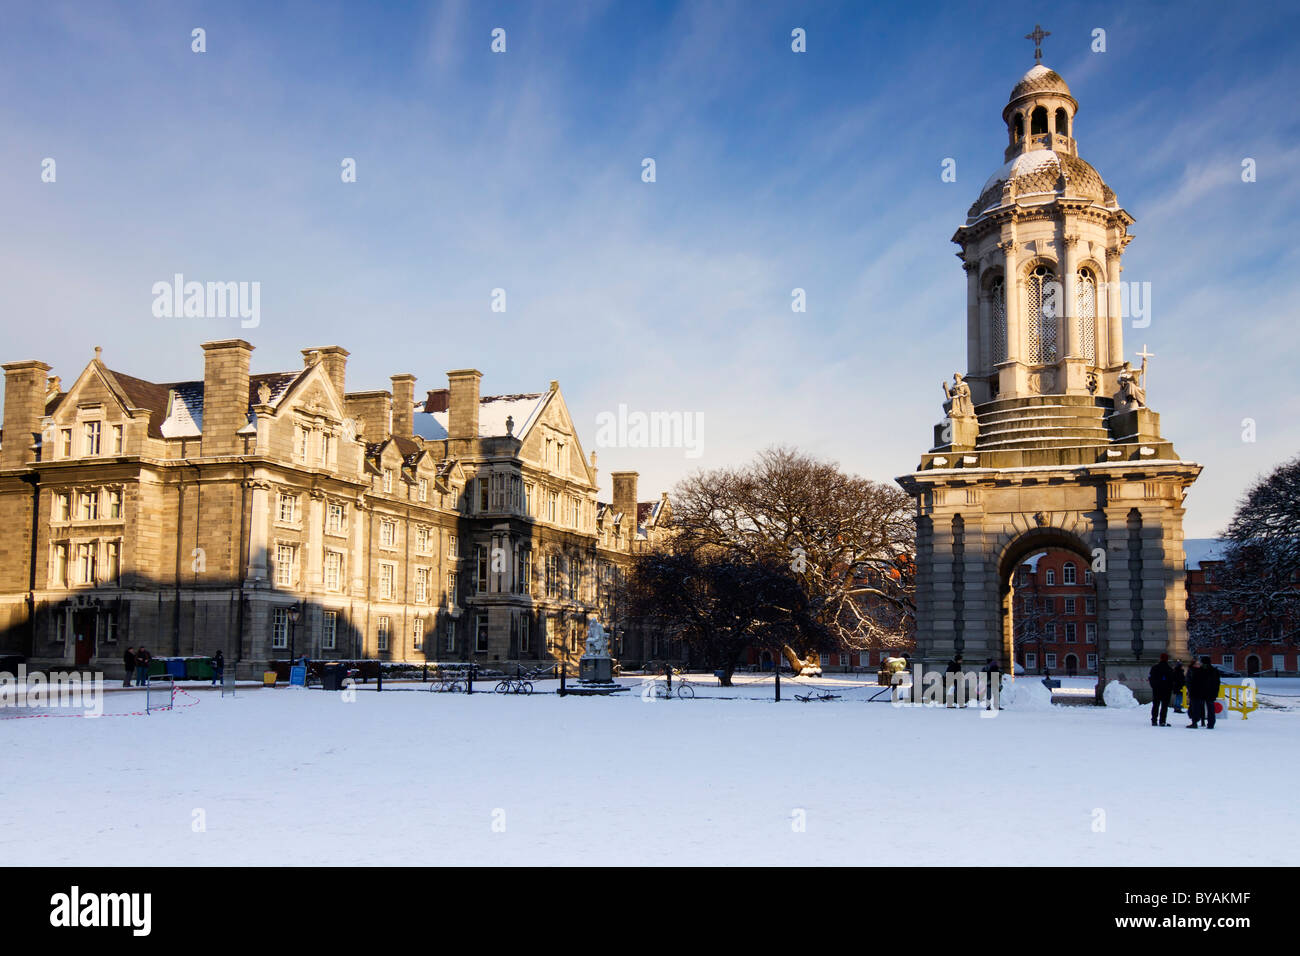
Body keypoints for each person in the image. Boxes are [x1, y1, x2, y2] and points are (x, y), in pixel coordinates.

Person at [1148, 653, 1173, 726]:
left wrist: (1153, 686)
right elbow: (1172, 680)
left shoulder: (1155, 668)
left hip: (1157, 689)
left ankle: (1154, 720)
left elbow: (1151, 678)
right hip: (1166, 690)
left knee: (1155, 705)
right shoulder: (1169, 669)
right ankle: (1162, 720)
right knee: (1164, 706)